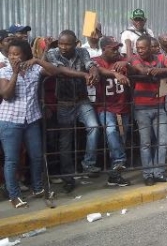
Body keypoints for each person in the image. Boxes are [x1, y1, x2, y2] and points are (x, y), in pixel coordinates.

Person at [0, 40, 59, 208]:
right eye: (10, 54)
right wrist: (15, 73)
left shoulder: (34, 70)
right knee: (12, 160)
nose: (13, 57)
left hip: (31, 119)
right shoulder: (4, 71)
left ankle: (38, 188)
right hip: (10, 121)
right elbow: (6, 95)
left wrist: (37, 60)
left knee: (36, 156)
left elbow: (54, 72)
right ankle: (14, 195)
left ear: (25, 54)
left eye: (17, 54)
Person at [45, 30, 102, 191]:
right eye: (61, 43)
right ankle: (67, 176)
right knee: (65, 140)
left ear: (75, 43)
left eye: (67, 44)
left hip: (82, 100)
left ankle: (88, 164)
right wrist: (84, 75)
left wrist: (94, 72)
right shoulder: (52, 53)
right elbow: (61, 70)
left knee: (94, 127)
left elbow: (90, 64)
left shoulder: (82, 51)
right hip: (64, 103)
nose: (63, 47)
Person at [130, 36, 167, 185]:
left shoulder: (160, 57)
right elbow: (143, 70)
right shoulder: (135, 59)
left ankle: (159, 172)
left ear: (150, 48)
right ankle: (147, 174)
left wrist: (160, 70)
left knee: (164, 140)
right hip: (141, 107)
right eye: (138, 48)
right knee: (145, 143)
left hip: (159, 106)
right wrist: (159, 71)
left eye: (143, 47)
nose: (140, 50)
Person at [92, 37, 132, 187]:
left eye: (117, 48)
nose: (116, 51)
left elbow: (133, 62)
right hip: (105, 107)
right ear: (103, 49)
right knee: (110, 132)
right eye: (112, 49)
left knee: (120, 140)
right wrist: (115, 74)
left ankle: (115, 176)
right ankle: (120, 161)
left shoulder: (121, 60)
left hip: (122, 107)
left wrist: (126, 62)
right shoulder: (96, 60)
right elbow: (96, 68)